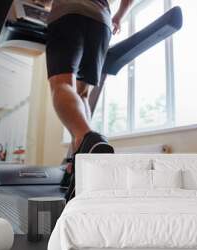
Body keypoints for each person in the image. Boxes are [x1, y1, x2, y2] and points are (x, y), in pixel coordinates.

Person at [45, 0, 134, 159]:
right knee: (82, 94)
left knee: (62, 83)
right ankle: (79, 155)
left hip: (69, 12)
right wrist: (118, 17)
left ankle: (88, 139)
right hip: (101, 21)